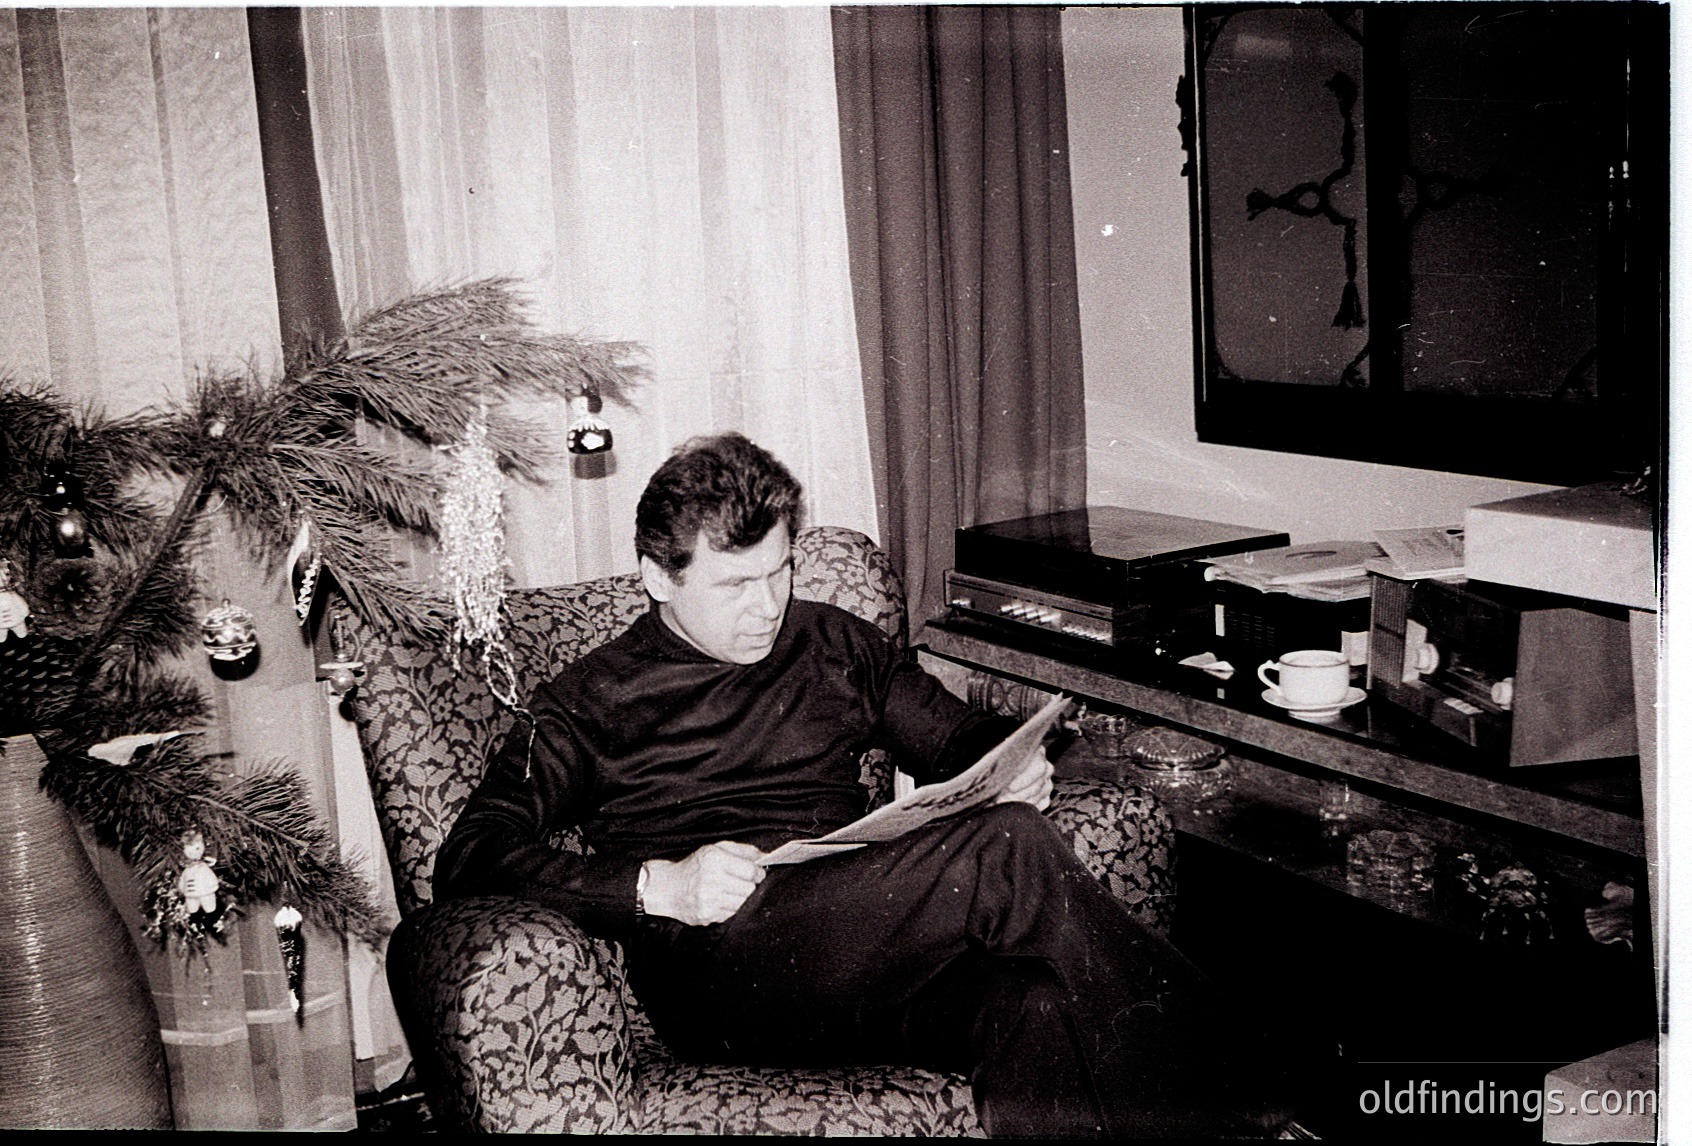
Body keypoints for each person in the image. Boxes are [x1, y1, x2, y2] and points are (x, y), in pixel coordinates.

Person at [436, 432, 1294, 1138]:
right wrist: (659, 887)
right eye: (736, 584)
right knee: (1004, 847)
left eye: (780, 570)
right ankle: (1246, 1104)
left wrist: (1013, 761)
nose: (768, 605)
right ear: (660, 577)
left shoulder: (832, 642)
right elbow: (471, 854)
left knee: (1028, 1002)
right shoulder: (590, 699)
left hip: (862, 939)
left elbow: (955, 736)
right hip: (725, 971)